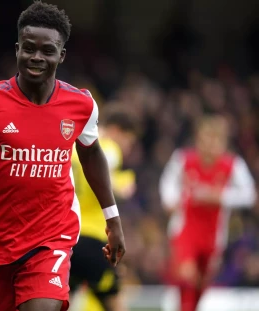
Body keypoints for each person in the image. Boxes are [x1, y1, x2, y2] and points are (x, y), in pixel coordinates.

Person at [0, 2, 126, 311]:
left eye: (47, 50)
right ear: (17, 49)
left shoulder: (81, 105)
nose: (36, 57)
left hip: (52, 239)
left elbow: (91, 151)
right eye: (29, 48)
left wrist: (112, 219)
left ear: (62, 55)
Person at [159, 115, 256, 311]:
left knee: (200, 287)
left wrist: (221, 197)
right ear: (198, 139)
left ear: (223, 142)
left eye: (215, 140)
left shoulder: (233, 165)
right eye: (205, 139)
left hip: (213, 236)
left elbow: (249, 194)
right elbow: (167, 183)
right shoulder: (183, 159)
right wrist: (170, 200)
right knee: (187, 276)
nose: (210, 145)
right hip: (184, 231)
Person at [70, 109, 139, 311]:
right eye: (129, 141)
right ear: (117, 131)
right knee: (115, 302)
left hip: (67, 239)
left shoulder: (74, 146)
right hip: (94, 241)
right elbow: (105, 164)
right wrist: (120, 184)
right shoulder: (107, 148)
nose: (127, 149)